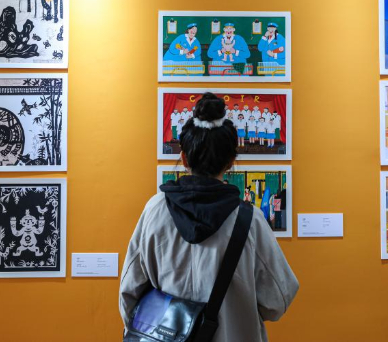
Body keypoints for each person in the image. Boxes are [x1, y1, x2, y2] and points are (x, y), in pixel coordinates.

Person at [120, 93, 299, 341]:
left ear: (184, 158)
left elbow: (130, 295)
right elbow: (277, 301)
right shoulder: (250, 220)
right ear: (231, 162)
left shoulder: (154, 210)